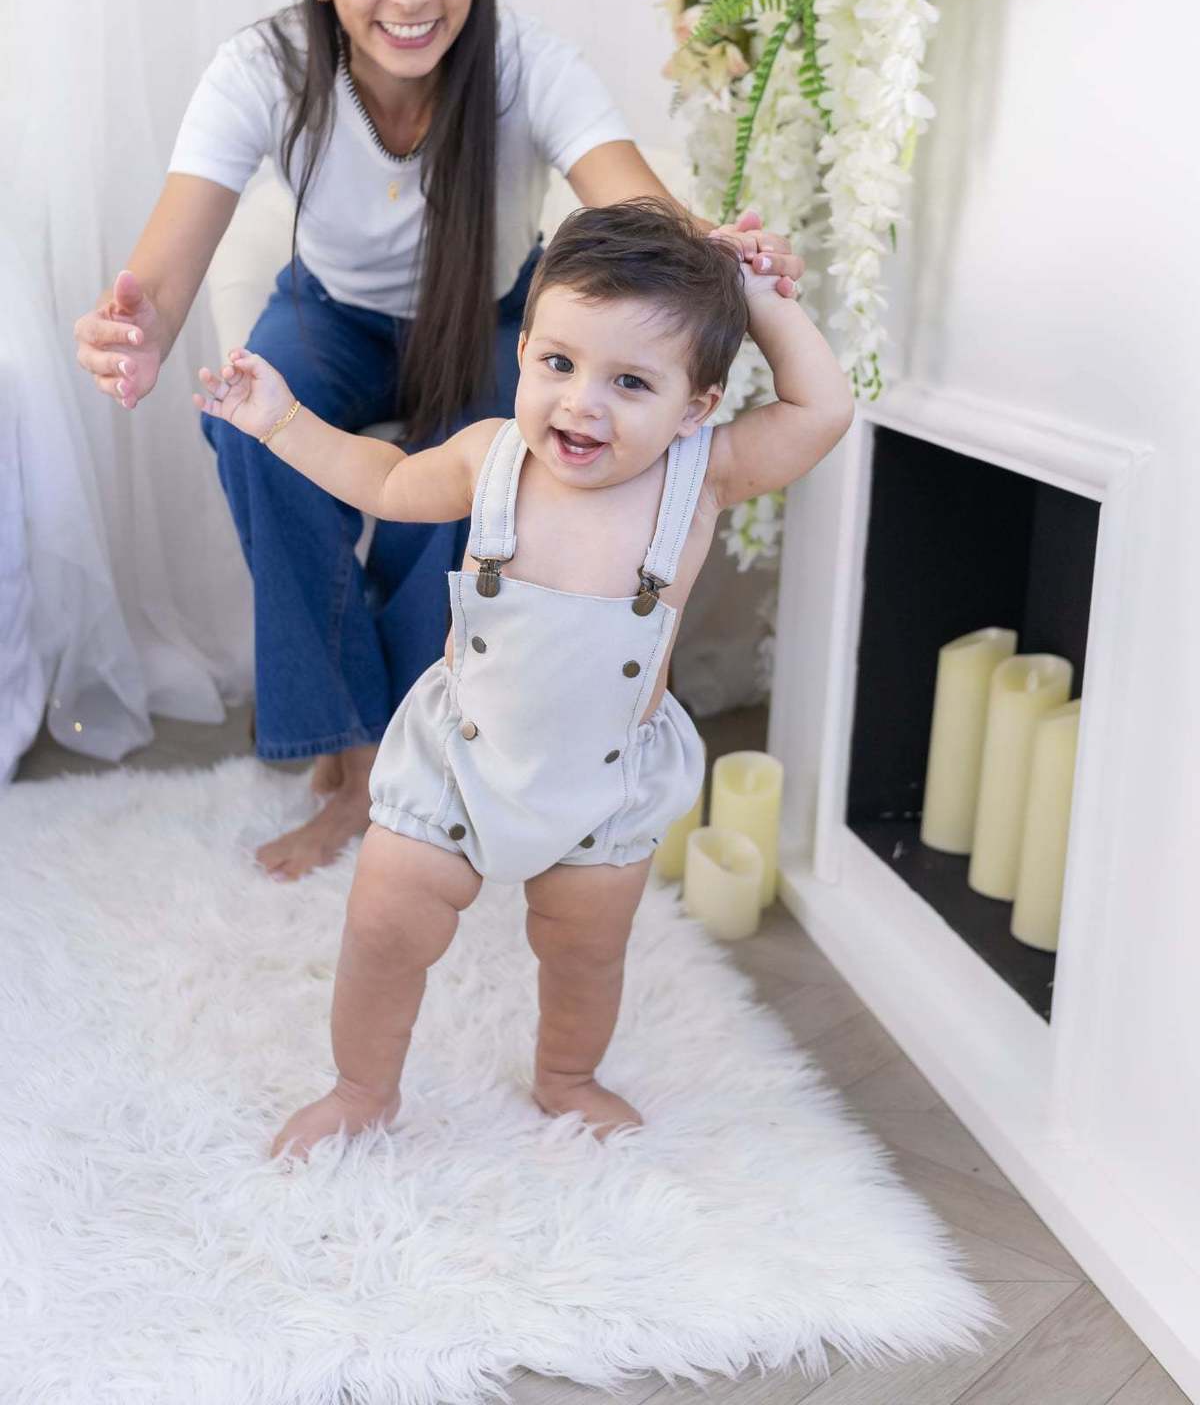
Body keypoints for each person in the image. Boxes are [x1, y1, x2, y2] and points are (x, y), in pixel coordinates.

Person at [72, 0, 806, 880]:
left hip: (490, 322)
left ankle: (408, 767)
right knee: (249, 434)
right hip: (329, 318)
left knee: (478, 474)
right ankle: (358, 749)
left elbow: (636, 207)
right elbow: (163, 277)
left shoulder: (528, 65)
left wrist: (721, 253)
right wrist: (133, 332)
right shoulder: (261, 69)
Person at [193, 198, 854, 1156]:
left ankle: (567, 1074)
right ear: (526, 353)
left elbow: (823, 409)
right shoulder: (492, 457)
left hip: (603, 781)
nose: (581, 403)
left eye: (631, 381)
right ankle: (361, 1087)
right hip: (461, 758)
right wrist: (282, 418)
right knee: (384, 922)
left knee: (582, 949)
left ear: (695, 407)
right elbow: (381, 481)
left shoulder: (699, 474)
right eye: (559, 363)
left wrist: (758, 300)